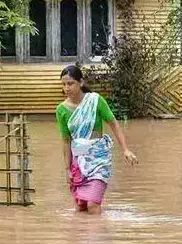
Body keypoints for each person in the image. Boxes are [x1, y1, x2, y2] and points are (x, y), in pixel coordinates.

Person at [56, 65, 137, 214]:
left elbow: (113, 123)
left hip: (98, 160)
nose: (66, 88)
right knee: (80, 208)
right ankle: (82, 235)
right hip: (78, 162)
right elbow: (66, 141)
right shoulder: (61, 110)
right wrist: (67, 170)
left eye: (70, 83)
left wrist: (125, 149)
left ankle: (98, 236)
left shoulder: (95, 101)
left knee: (93, 205)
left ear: (81, 83)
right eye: (64, 84)